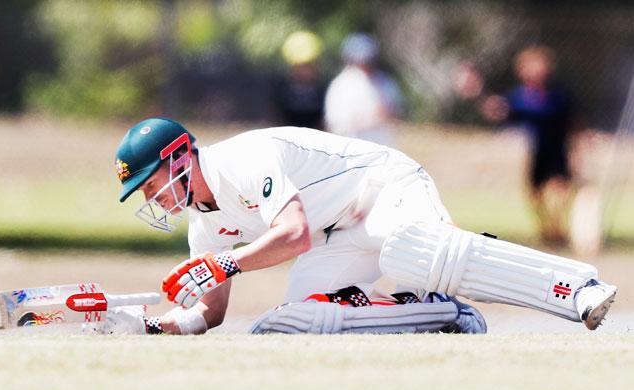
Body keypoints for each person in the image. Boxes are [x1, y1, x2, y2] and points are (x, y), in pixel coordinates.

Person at [106, 117, 616, 335]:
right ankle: (443, 314)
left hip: (381, 188)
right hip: (338, 235)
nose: (153, 199)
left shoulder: (242, 158)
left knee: (410, 253)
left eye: (151, 185)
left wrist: (222, 264)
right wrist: (155, 324)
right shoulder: (203, 222)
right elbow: (208, 314)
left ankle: (576, 288)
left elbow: (292, 234)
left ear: (178, 159)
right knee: (302, 319)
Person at [480, 46, 575, 245]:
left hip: (558, 149)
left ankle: (557, 228)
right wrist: (492, 106)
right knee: (535, 193)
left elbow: (562, 116)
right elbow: (504, 114)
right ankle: (548, 230)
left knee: (560, 191)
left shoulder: (558, 93)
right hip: (536, 151)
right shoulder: (519, 95)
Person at [324, 33, 403, 146]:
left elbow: (396, 113)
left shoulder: (384, 81)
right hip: (352, 151)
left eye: (368, 59)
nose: (365, 64)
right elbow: (336, 125)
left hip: (383, 148)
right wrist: (371, 119)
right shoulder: (341, 85)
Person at [273, 31, 327, 130]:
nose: (304, 71)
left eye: (308, 65)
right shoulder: (280, 90)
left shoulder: (324, 91)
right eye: (300, 66)